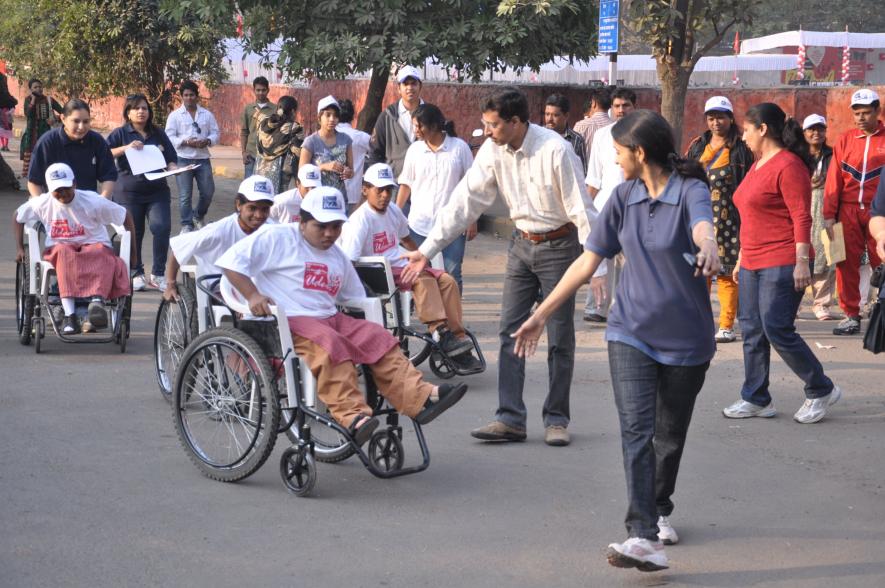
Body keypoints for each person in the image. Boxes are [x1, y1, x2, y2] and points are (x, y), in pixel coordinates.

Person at [512, 110, 719, 572]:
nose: (615, 160)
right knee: (635, 431)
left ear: (639, 153)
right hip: (630, 332)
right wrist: (539, 315)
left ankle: (658, 507)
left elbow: (704, 226)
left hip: (687, 340)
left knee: (668, 436)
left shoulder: (691, 191)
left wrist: (709, 246)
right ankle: (643, 535)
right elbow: (586, 263)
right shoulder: (622, 197)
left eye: (619, 153)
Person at [401, 87, 601, 447]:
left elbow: (581, 209)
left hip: (559, 246)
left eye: (493, 125)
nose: (487, 131)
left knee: (559, 336)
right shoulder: (493, 151)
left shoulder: (556, 150)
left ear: (516, 121)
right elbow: (465, 200)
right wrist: (426, 249)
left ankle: (556, 419)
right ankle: (510, 418)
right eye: (485, 124)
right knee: (510, 331)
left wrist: (596, 267)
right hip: (521, 245)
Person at [216, 186, 468, 444]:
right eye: (321, 226)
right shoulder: (276, 237)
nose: (329, 233)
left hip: (327, 318)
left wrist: (373, 315)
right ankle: (352, 415)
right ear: (303, 222)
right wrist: (252, 295)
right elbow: (229, 263)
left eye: (335, 226)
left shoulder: (337, 255)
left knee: (377, 337)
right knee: (330, 342)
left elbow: (354, 297)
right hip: (285, 319)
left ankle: (421, 397)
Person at [722, 103, 841, 424]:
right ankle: (756, 397)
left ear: (763, 129)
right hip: (753, 261)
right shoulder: (759, 164)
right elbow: (750, 215)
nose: (743, 136)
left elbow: (801, 215)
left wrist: (802, 261)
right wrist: (743, 256)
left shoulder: (789, 165)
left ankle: (821, 388)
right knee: (752, 330)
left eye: (747, 129)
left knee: (776, 328)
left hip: (784, 258)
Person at [340, 163, 479, 371]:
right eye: (380, 190)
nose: (385, 195)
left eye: (389, 190)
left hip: (401, 263)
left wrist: (424, 257)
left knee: (448, 281)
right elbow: (349, 261)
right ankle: (439, 330)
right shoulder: (359, 221)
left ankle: (456, 337)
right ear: (365, 189)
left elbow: (407, 240)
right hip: (378, 272)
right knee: (423, 280)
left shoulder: (394, 211)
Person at [14, 163, 134, 334]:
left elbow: (125, 216)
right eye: (57, 190)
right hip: (60, 247)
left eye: (66, 188)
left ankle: (96, 302)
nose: (62, 193)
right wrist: (19, 247)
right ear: (49, 188)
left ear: (75, 184)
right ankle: (70, 316)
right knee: (64, 252)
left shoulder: (93, 200)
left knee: (99, 250)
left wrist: (134, 254)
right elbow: (17, 217)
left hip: (93, 243)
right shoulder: (43, 202)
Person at [685, 96, 754, 343]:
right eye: (711, 118)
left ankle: (726, 325)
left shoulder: (741, 149)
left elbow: (748, 182)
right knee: (699, 270)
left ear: (730, 118)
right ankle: (699, 321)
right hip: (698, 217)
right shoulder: (697, 146)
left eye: (721, 117)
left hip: (729, 220)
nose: (716, 123)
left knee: (726, 272)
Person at [823, 89, 885, 335]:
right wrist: (829, 215)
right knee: (844, 262)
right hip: (847, 211)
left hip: (878, 213)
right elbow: (833, 179)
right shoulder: (845, 140)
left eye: (866, 113)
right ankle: (851, 314)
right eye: (857, 113)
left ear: (877, 112)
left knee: (882, 261)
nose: (860, 118)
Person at [396, 103, 475, 292]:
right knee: (420, 272)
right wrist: (395, 215)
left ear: (434, 126)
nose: (416, 130)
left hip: (453, 225)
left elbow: (472, 186)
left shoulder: (459, 148)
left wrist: (473, 220)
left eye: (419, 126)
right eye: (414, 126)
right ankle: (432, 318)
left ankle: (453, 319)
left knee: (451, 272)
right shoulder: (415, 150)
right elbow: (405, 185)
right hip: (418, 225)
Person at [162, 175, 276, 303]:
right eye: (252, 208)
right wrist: (170, 284)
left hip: (260, 287)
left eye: (265, 209)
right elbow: (179, 247)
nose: (259, 215)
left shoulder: (273, 230)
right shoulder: (219, 230)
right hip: (221, 289)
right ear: (239, 205)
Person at [107, 94, 178, 292]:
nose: (141, 111)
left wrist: (173, 167)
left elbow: (171, 157)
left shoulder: (158, 133)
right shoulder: (120, 133)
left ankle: (158, 274)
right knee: (134, 232)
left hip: (157, 191)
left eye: (144, 108)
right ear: (128, 113)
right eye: (136, 108)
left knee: (162, 227)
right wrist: (125, 148)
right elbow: (105, 152)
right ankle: (136, 272)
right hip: (129, 192)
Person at [583, 87, 637, 323]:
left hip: (635, 205)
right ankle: (597, 307)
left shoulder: (642, 132)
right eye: (616, 106)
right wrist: (585, 207)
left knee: (631, 261)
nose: (621, 110)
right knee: (598, 256)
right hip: (605, 204)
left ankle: (624, 309)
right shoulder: (602, 135)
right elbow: (594, 177)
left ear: (634, 107)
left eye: (625, 105)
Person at [27, 99, 117, 198]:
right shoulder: (47, 142)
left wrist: (101, 202)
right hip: (55, 204)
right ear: (63, 119)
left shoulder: (96, 141)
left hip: (87, 206)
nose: (81, 127)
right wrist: (45, 207)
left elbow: (108, 176)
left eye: (86, 121)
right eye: (76, 121)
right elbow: (33, 182)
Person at [165, 80, 220, 233]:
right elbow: (169, 136)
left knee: (208, 191)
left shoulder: (207, 115)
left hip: (202, 159)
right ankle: (186, 224)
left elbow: (215, 133)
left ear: (197, 96)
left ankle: (198, 215)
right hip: (183, 158)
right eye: (186, 95)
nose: (189, 98)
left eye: (192, 95)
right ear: (182, 97)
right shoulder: (175, 116)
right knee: (185, 195)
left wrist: (208, 140)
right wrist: (185, 142)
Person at [802, 113, 837, 320]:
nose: (816, 133)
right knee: (800, 253)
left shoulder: (834, 155)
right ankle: (794, 304)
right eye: (811, 129)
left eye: (820, 129)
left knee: (829, 255)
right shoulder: (797, 155)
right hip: (804, 207)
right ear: (804, 132)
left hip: (829, 207)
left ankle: (822, 304)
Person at [366, 65, 424, 176]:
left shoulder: (431, 115)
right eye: (405, 84)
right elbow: (375, 152)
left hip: (424, 185)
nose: (410, 88)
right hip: (394, 185)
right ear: (398, 88)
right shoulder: (387, 116)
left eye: (413, 83)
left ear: (420, 86)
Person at [299, 95, 353, 195]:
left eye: (336, 116)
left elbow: (351, 170)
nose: (332, 119)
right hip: (317, 196)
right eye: (328, 115)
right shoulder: (310, 142)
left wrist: (348, 172)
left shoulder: (346, 140)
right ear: (319, 118)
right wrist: (324, 166)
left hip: (339, 196)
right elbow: (302, 173)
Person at [255, 95, 303, 194]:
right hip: (282, 177)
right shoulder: (294, 128)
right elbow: (299, 153)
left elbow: (260, 118)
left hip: (261, 171)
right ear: (293, 111)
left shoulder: (264, 124)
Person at [19, 78, 63, 179]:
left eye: (40, 87)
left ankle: (45, 176)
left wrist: (55, 118)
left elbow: (64, 112)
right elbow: (28, 114)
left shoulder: (49, 100)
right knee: (31, 154)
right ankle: (32, 178)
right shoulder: (28, 100)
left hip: (45, 131)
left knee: (45, 153)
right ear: (30, 89)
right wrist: (33, 100)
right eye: (35, 87)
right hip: (31, 133)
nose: (38, 89)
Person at [336, 99, 371, 214]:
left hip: (331, 193)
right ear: (353, 115)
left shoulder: (327, 137)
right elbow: (378, 151)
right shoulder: (361, 137)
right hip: (353, 195)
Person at [240, 76, 275, 178]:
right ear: (254, 90)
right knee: (249, 186)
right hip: (250, 154)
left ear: (268, 90)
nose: (261, 93)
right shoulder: (248, 109)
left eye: (263, 90)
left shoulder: (275, 109)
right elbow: (244, 132)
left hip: (268, 155)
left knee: (265, 184)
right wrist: (243, 152)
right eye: (258, 90)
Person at [544, 93, 586, 173]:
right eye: (547, 114)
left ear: (566, 116)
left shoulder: (577, 140)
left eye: (555, 115)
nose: (549, 119)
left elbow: (582, 171)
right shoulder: (538, 136)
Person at [572, 88, 613, 158]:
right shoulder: (616, 126)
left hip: (585, 168)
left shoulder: (581, 125)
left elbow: (573, 152)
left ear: (594, 103)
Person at [0, 69, 16, 152]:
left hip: (6, 115)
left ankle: (5, 145)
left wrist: (10, 111)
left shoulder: (7, 96)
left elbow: (14, 104)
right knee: (3, 130)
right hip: (5, 114)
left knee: (5, 130)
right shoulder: (7, 96)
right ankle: (4, 145)